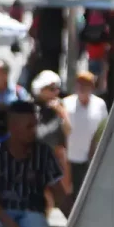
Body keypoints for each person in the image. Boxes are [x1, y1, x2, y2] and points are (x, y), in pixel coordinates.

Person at [63, 71, 108, 202]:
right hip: (69, 159)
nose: (82, 87)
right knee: (70, 196)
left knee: (87, 196)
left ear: (92, 87)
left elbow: (102, 129)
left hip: (90, 158)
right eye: (80, 83)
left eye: (86, 84)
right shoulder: (66, 103)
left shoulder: (100, 104)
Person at [32, 70, 72, 201]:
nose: (55, 92)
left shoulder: (61, 106)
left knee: (62, 194)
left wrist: (61, 112)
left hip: (57, 155)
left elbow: (68, 130)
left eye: (56, 89)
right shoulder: (33, 107)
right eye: (50, 89)